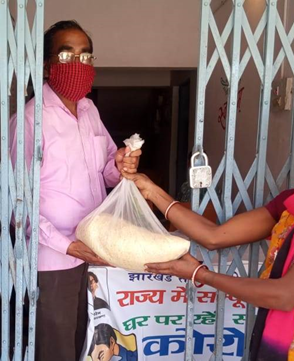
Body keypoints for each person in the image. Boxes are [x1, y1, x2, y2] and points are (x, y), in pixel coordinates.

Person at [124, 90, 294, 360]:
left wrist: (202, 275)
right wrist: (151, 190)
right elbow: (215, 236)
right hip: (280, 339)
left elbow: (285, 295)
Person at [9, 20, 141, 361]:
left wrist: (122, 163)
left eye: (86, 56)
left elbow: (108, 172)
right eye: (67, 54)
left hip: (93, 250)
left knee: (90, 342)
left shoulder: (88, 110)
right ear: (46, 64)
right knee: (56, 347)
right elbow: (15, 204)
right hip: (53, 259)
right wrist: (69, 246)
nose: (78, 64)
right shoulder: (28, 120)